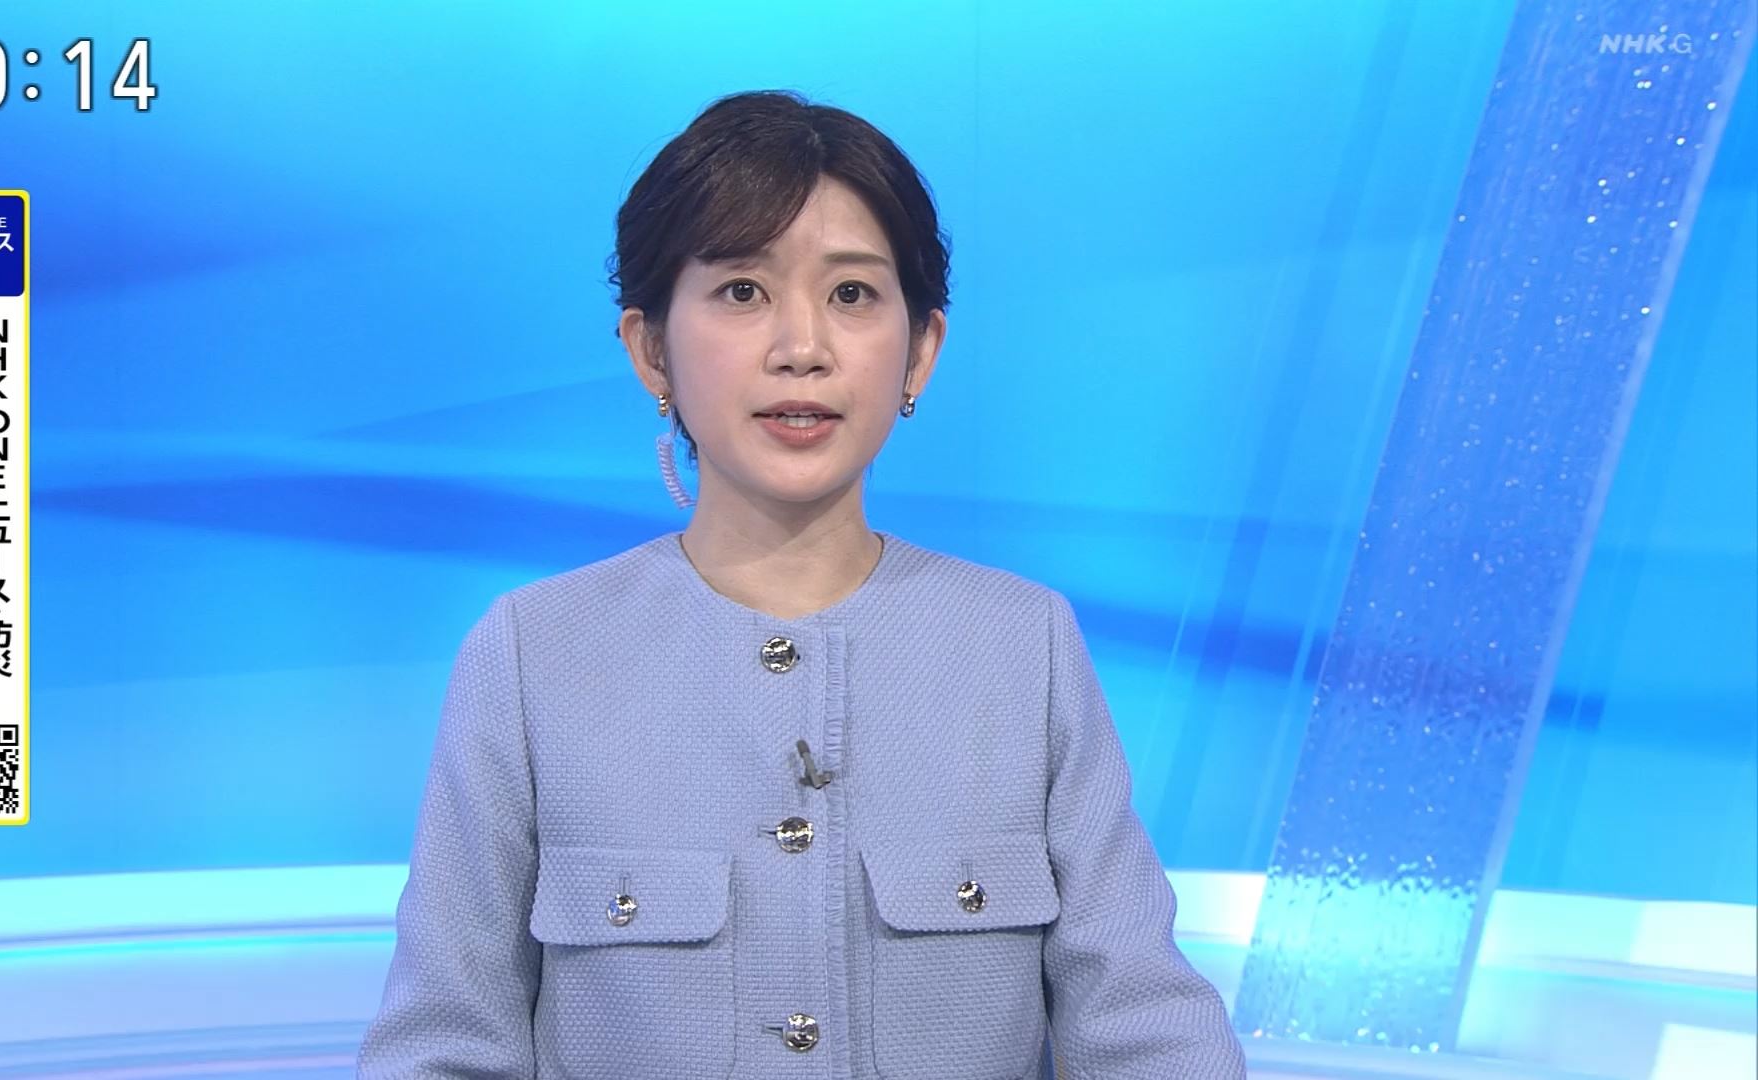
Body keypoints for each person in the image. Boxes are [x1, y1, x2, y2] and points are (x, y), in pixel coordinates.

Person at [357, 89, 1246, 1080]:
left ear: (922, 349)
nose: (803, 349)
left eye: (852, 294)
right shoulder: (533, 656)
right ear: (650, 348)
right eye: (742, 291)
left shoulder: (1021, 645)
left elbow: (1146, 1027)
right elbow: (443, 1046)